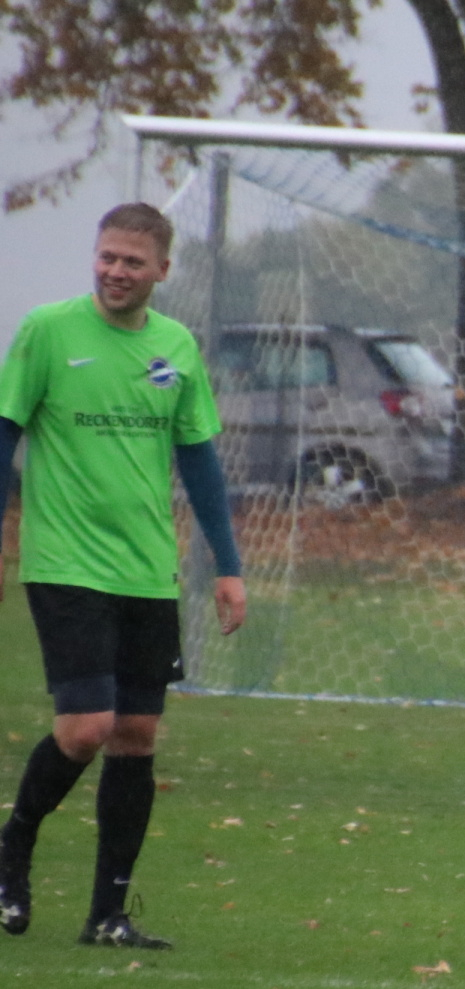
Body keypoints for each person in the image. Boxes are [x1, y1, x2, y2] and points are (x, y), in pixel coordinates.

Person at [0, 203, 246, 947]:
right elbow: (4, 436)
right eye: (107, 256)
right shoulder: (48, 331)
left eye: (132, 261)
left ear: (162, 270)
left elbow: (199, 460)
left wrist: (228, 567)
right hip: (66, 561)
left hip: (147, 570)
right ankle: (13, 846)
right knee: (87, 727)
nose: (115, 271)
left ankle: (107, 915)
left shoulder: (176, 346)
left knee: (135, 733)